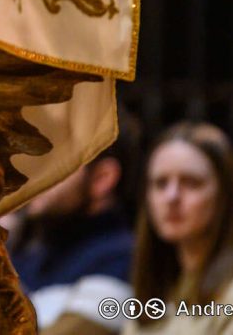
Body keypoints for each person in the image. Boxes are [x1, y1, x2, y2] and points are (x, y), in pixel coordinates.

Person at [125, 122, 233, 335]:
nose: (171, 197)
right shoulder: (157, 287)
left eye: (191, 183)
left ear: (223, 196)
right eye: (161, 183)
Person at [12, 112, 139, 334]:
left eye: (55, 160)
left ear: (102, 178)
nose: (33, 173)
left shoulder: (125, 259)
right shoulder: (30, 254)